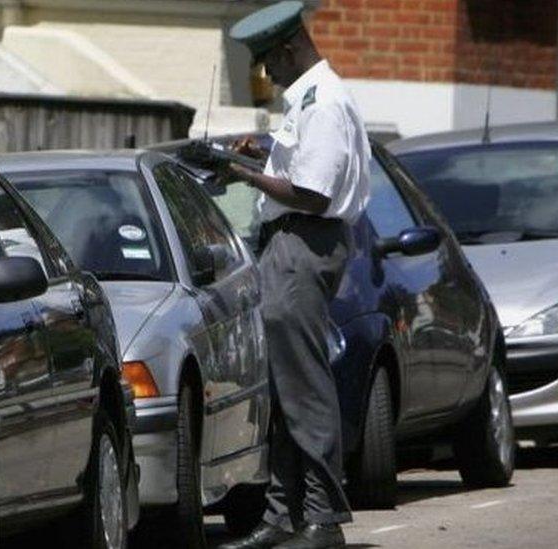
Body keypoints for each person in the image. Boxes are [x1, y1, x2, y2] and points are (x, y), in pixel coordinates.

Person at [219, 2, 371, 548]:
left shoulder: (324, 100)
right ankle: (284, 516)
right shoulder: (310, 98)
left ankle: (323, 518)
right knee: (285, 387)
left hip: (304, 243)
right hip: (291, 244)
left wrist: (240, 174)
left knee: (304, 386)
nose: (266, 73)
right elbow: (305, 167)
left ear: (289, 48)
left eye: (267, 61)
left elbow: (313, 192)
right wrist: (262, 154)